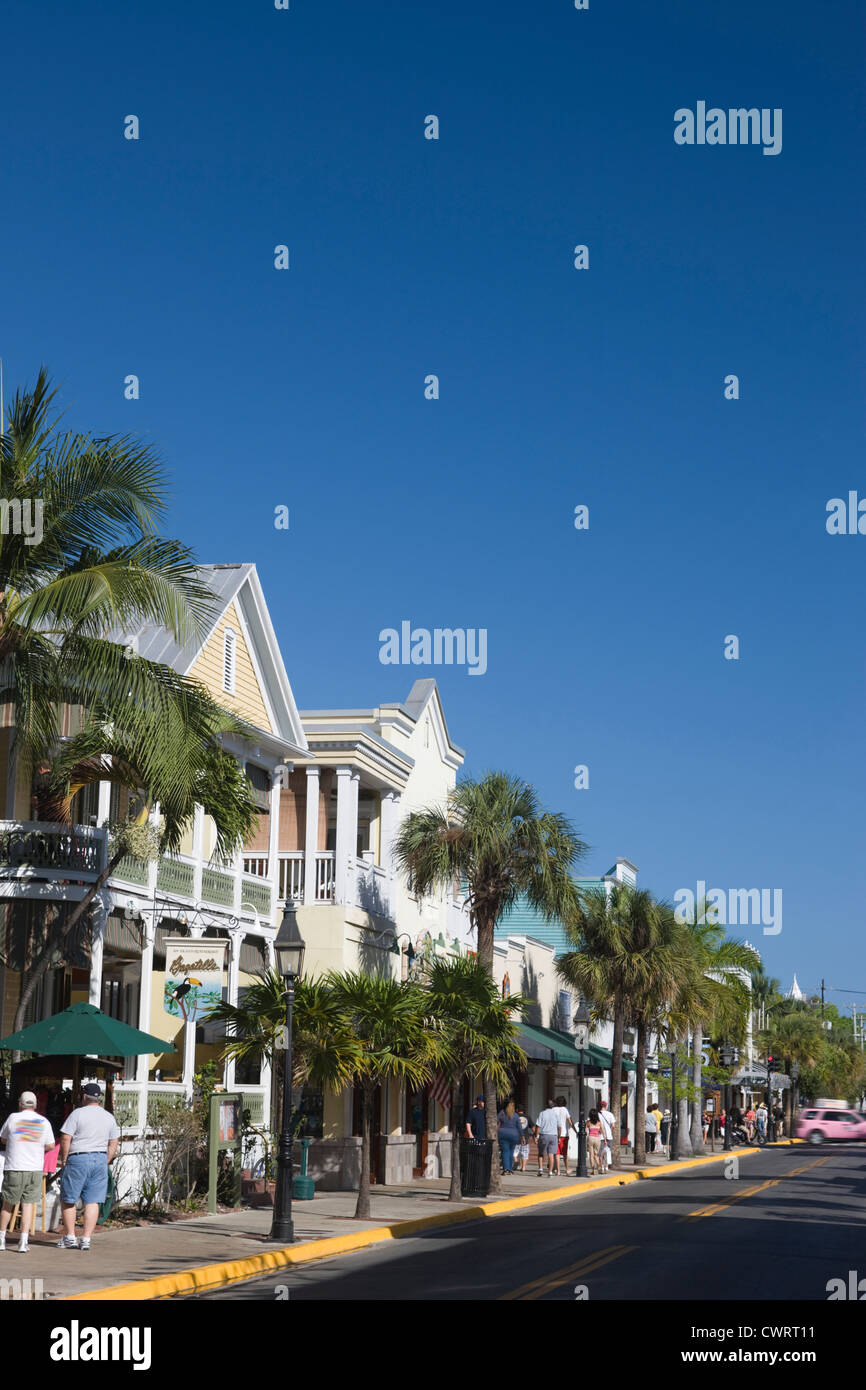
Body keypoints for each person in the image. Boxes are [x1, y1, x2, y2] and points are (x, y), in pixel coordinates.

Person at [57, 1083, 120, 1251]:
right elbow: (114, 1141)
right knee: (93, 1201)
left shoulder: (77, 1114)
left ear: (84, 1097)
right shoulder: (108, 1117)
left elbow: (65, 1138)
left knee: (69, 1198)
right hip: (99, 1158)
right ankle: (86, 1239)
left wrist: (64, 1160)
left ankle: (70, 1236)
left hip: (79, 1157)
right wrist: (106, 1159)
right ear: (99, 1098)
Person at [0, 1091, 56, 1253]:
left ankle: (1, 1240)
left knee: (7, 1204)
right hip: (34, 1169)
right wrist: (37, 1146)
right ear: (36, 1105)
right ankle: (23, 1242)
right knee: (28, 1205)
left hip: (14, 1167)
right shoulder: (44, 1122)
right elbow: (51, 1145)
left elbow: (3, 1139)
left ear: (20, 1104)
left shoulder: (12, 1118)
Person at [533, 1098, 560, 1177]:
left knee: (541, 1153)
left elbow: (538, 1126)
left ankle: (540, 1169)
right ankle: (550, 1172)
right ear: (553, 1106)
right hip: (553, 1135)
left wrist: (536, 1136)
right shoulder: (555, 1114)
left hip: (544, 1135)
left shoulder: (542, 1113)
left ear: (545, 1105)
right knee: (551, 1154)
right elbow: (559, 1127)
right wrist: (558, 1136)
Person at [496, 1100, 522, 1175]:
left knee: (505, 1151)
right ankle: (510, 1169)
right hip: (514, 1135)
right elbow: (519, 1127)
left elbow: (496, 1121)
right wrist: (522, 1136)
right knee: (511, 1152)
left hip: (503, 1134)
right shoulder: (516, 1115)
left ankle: (506, 1169)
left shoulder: (502, 1113)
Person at [552, 1095, 575, 1176]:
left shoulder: (553, 1109)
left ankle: (558, 1171)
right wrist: (573, 1129)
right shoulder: (565, 1110)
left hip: (555, 1133)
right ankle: (567, 1169)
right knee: (564, 1153)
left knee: (557, 1154)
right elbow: (570, 1121)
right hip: (564, 1134)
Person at [586, 1108, 603, 1175]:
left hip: (590, 1138)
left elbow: (585, 1131)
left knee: (591, 1155)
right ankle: (599, 1166)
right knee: (596, 1155)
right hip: (597, 1139)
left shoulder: (588, 1122)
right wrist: (604, 1138)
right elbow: (601, 1131)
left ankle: (593, 1170)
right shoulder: (599, 1123)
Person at [598, 1101, 614, 1171]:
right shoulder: (610, 1114)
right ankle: (606, 1167)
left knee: (601, 1152)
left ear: (600, 1106)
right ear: (605, 1106)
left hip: (601, 1136)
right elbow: (613, 1125)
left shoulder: (598, 1114)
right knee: (607, 1151)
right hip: (609, 1136)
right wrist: (609, 1130)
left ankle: (601, 1167)